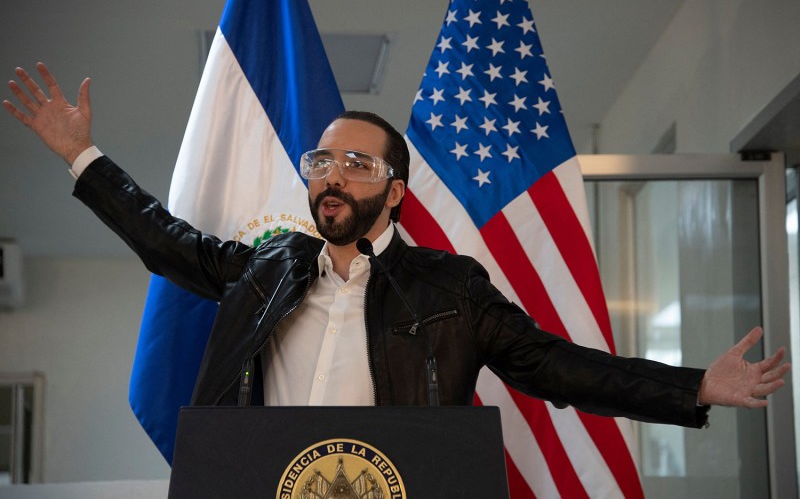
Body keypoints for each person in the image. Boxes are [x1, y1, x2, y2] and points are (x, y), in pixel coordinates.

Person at [3, 63, 790, 425]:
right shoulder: (264, 267)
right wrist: (83, 157)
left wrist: (693, 387)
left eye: (356, 162)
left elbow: (558, 365)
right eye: (321, 161)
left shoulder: (452, 288)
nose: (331, 175)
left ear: (394, 191)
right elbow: (165, 241)